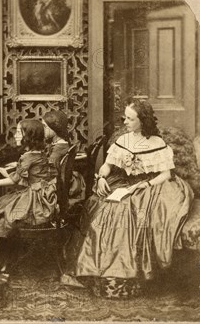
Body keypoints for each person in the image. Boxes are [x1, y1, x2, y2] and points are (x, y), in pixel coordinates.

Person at [62, 99, 192, 298]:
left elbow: (166, 174)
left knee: (125, 210)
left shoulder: (157, 143)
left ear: (143, 120)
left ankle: (126, 276)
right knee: (104, 206)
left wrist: (144, 185)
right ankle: (97, 272)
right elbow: (107, 165)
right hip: (123, 181)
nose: (125, 122)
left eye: (130, 119)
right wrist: (101, 177)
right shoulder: (123, 140)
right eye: (125, 118)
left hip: (150, 184)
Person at [0, 120, 58, 270]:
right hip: (42, 193)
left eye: (19, 132)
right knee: (2, 206)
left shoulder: (27, 156)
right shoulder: (40, 152)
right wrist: (10, 172)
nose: (15, 135)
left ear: (28, 137)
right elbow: (28, 176)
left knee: (0, 210)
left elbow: (14, 180)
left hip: (34, 199)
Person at [42, 110, 85, 201]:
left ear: (54, 127)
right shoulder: (62, 144)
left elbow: (49, 173)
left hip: (56, 188)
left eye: (44, 127)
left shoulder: (58, 149)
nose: (42, 130)